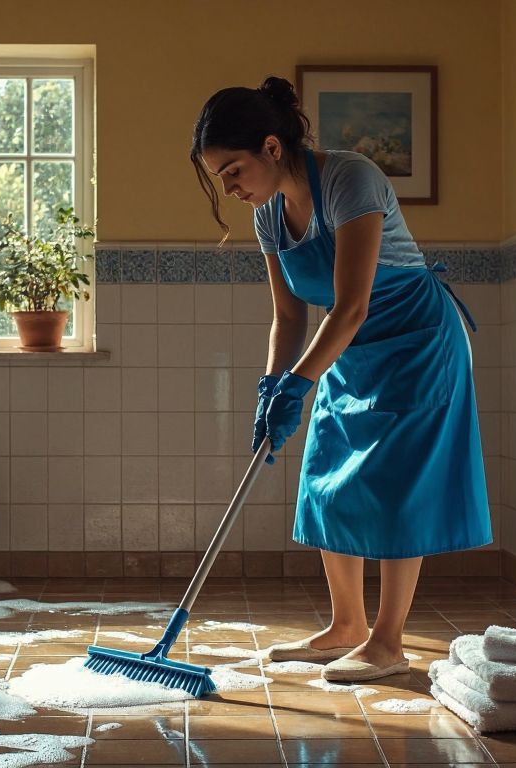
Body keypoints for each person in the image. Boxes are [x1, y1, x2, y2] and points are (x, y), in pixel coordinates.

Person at [190, 76, 492, 682]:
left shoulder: (349, 179)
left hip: (415, 342)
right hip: (347, 350)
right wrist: (272, 387)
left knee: (400, 486)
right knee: (327, 475)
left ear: (272, 148)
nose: (229, 188)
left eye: (232, 171)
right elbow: (288, 315)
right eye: (219, 177)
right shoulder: (269, 218)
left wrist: (299, 385)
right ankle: (347, 624)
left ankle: (388, 640)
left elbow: (351, 303)